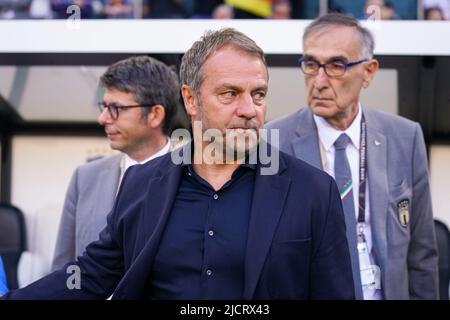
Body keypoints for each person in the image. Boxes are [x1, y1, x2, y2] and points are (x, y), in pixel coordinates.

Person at [4, 28, 354, 300]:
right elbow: (91, 274)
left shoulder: (313, 192)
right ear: (191, 99)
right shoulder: (141, 185)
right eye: (230, 94)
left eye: (258, 94)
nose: (249, 109)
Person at [266, 13, 439, 300]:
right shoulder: (272, 143)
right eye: (310, 64)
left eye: (336, 65)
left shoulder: (404, 138)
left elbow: (421, 254)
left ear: (369, 72)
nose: (319, 81)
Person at [51, 55, 182, 271]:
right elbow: (63, 268)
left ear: (155, 115)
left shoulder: (192, 177)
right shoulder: (85, 178)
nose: (102, 118)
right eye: (103, 107)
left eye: (115, 108)